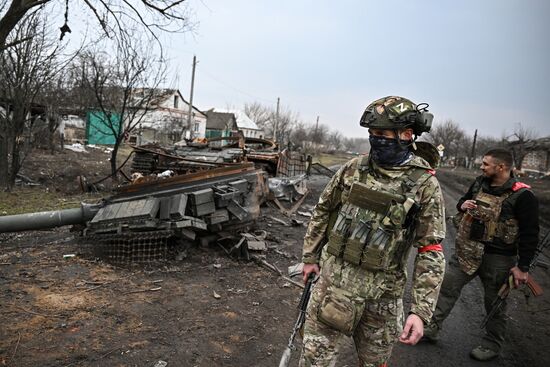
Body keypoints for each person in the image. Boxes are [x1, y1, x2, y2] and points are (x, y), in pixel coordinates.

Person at [299, 96, 446, 367]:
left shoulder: (424, 184)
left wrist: (420, 311)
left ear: (406, 134)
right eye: (372, 133)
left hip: (381, 300)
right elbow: (323, 210)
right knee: (313, 361)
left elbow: (431, 250)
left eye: (383, 134)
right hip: (334, 287)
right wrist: (310, 257)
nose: (376, 139)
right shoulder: (353, 169)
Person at [423, 148, 539, 361]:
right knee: (446, 289)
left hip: (499, 260)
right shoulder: (479, 183)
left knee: (494, 304)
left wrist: (523, 267)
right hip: (467, 252)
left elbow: (530, 234)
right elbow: (463, 202)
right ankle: (430, 327)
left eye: (486, 164)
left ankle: (492, 344)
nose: (481, 166)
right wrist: (462, 204)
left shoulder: (523, 196)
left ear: (501, 167)